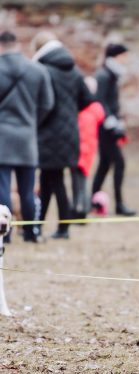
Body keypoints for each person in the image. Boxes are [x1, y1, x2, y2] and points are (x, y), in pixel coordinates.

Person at [32, 31, 93, 240]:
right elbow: (88, 100)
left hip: (48, 134)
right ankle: (38, 226)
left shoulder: (43, 70)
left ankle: (62, 228)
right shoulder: (74, 71)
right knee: (49, 180)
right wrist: (69, 111)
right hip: (69, 134)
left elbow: (42, 104)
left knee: (54, 181)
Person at [0, 30, 54, 243]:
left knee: (2, 189)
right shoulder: (37, 70)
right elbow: (47, 104)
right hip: (26, 136)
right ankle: (32, 233)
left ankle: (5, 235)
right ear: (18, 44)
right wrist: (32, 123)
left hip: (1, 136)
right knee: (27, 189)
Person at [92, 43, 136, 216]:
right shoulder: (104, 75)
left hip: (110, 127)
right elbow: (100, 100)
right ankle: (119, 204)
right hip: (106, 129)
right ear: (116, 57)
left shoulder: (112, 75)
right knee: (119, 163)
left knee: (104, 164)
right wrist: (111, 122)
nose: (126, 60)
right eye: (124, 56)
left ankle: (92, 200)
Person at [72, 76, 105, 219]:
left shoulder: (83, 109)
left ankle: (79, 209)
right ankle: (82, 207)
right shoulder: (96, 108)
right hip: (89, 149)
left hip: (80, 149)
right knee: (83, 179)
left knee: (78, 181)